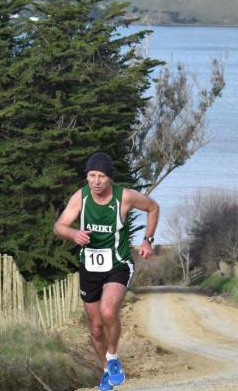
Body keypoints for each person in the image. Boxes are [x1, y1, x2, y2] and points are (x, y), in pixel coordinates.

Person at [54, 152, 159, 391]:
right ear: (87, 177)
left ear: (110, 178)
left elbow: (153, 208)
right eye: (92, 175)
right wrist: (73, 234)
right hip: (89, 266)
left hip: (118, 263)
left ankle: (113, 358)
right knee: (95, 326)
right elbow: (59, 226)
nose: (96, 181)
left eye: (101, 176)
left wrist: (147, 241)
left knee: (108, 310)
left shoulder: (125, 197)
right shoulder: (80, 197)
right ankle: (105, 371)